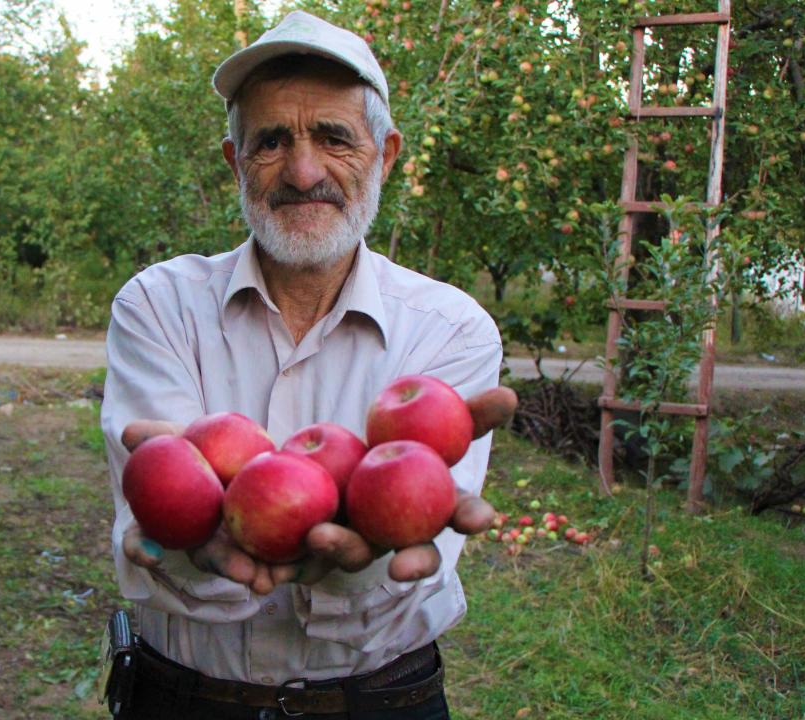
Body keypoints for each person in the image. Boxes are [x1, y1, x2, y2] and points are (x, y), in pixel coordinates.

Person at [100, 11, 517, 719]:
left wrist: (367, 548)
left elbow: (416, 563)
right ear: (235, 163)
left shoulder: (450, 330)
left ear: (384, 156)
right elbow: (169, 525)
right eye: (270, 141)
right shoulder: (160, 305)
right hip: (183, 699)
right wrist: (199, 530)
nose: (302, 171)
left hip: (380, 701)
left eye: (333, 137)